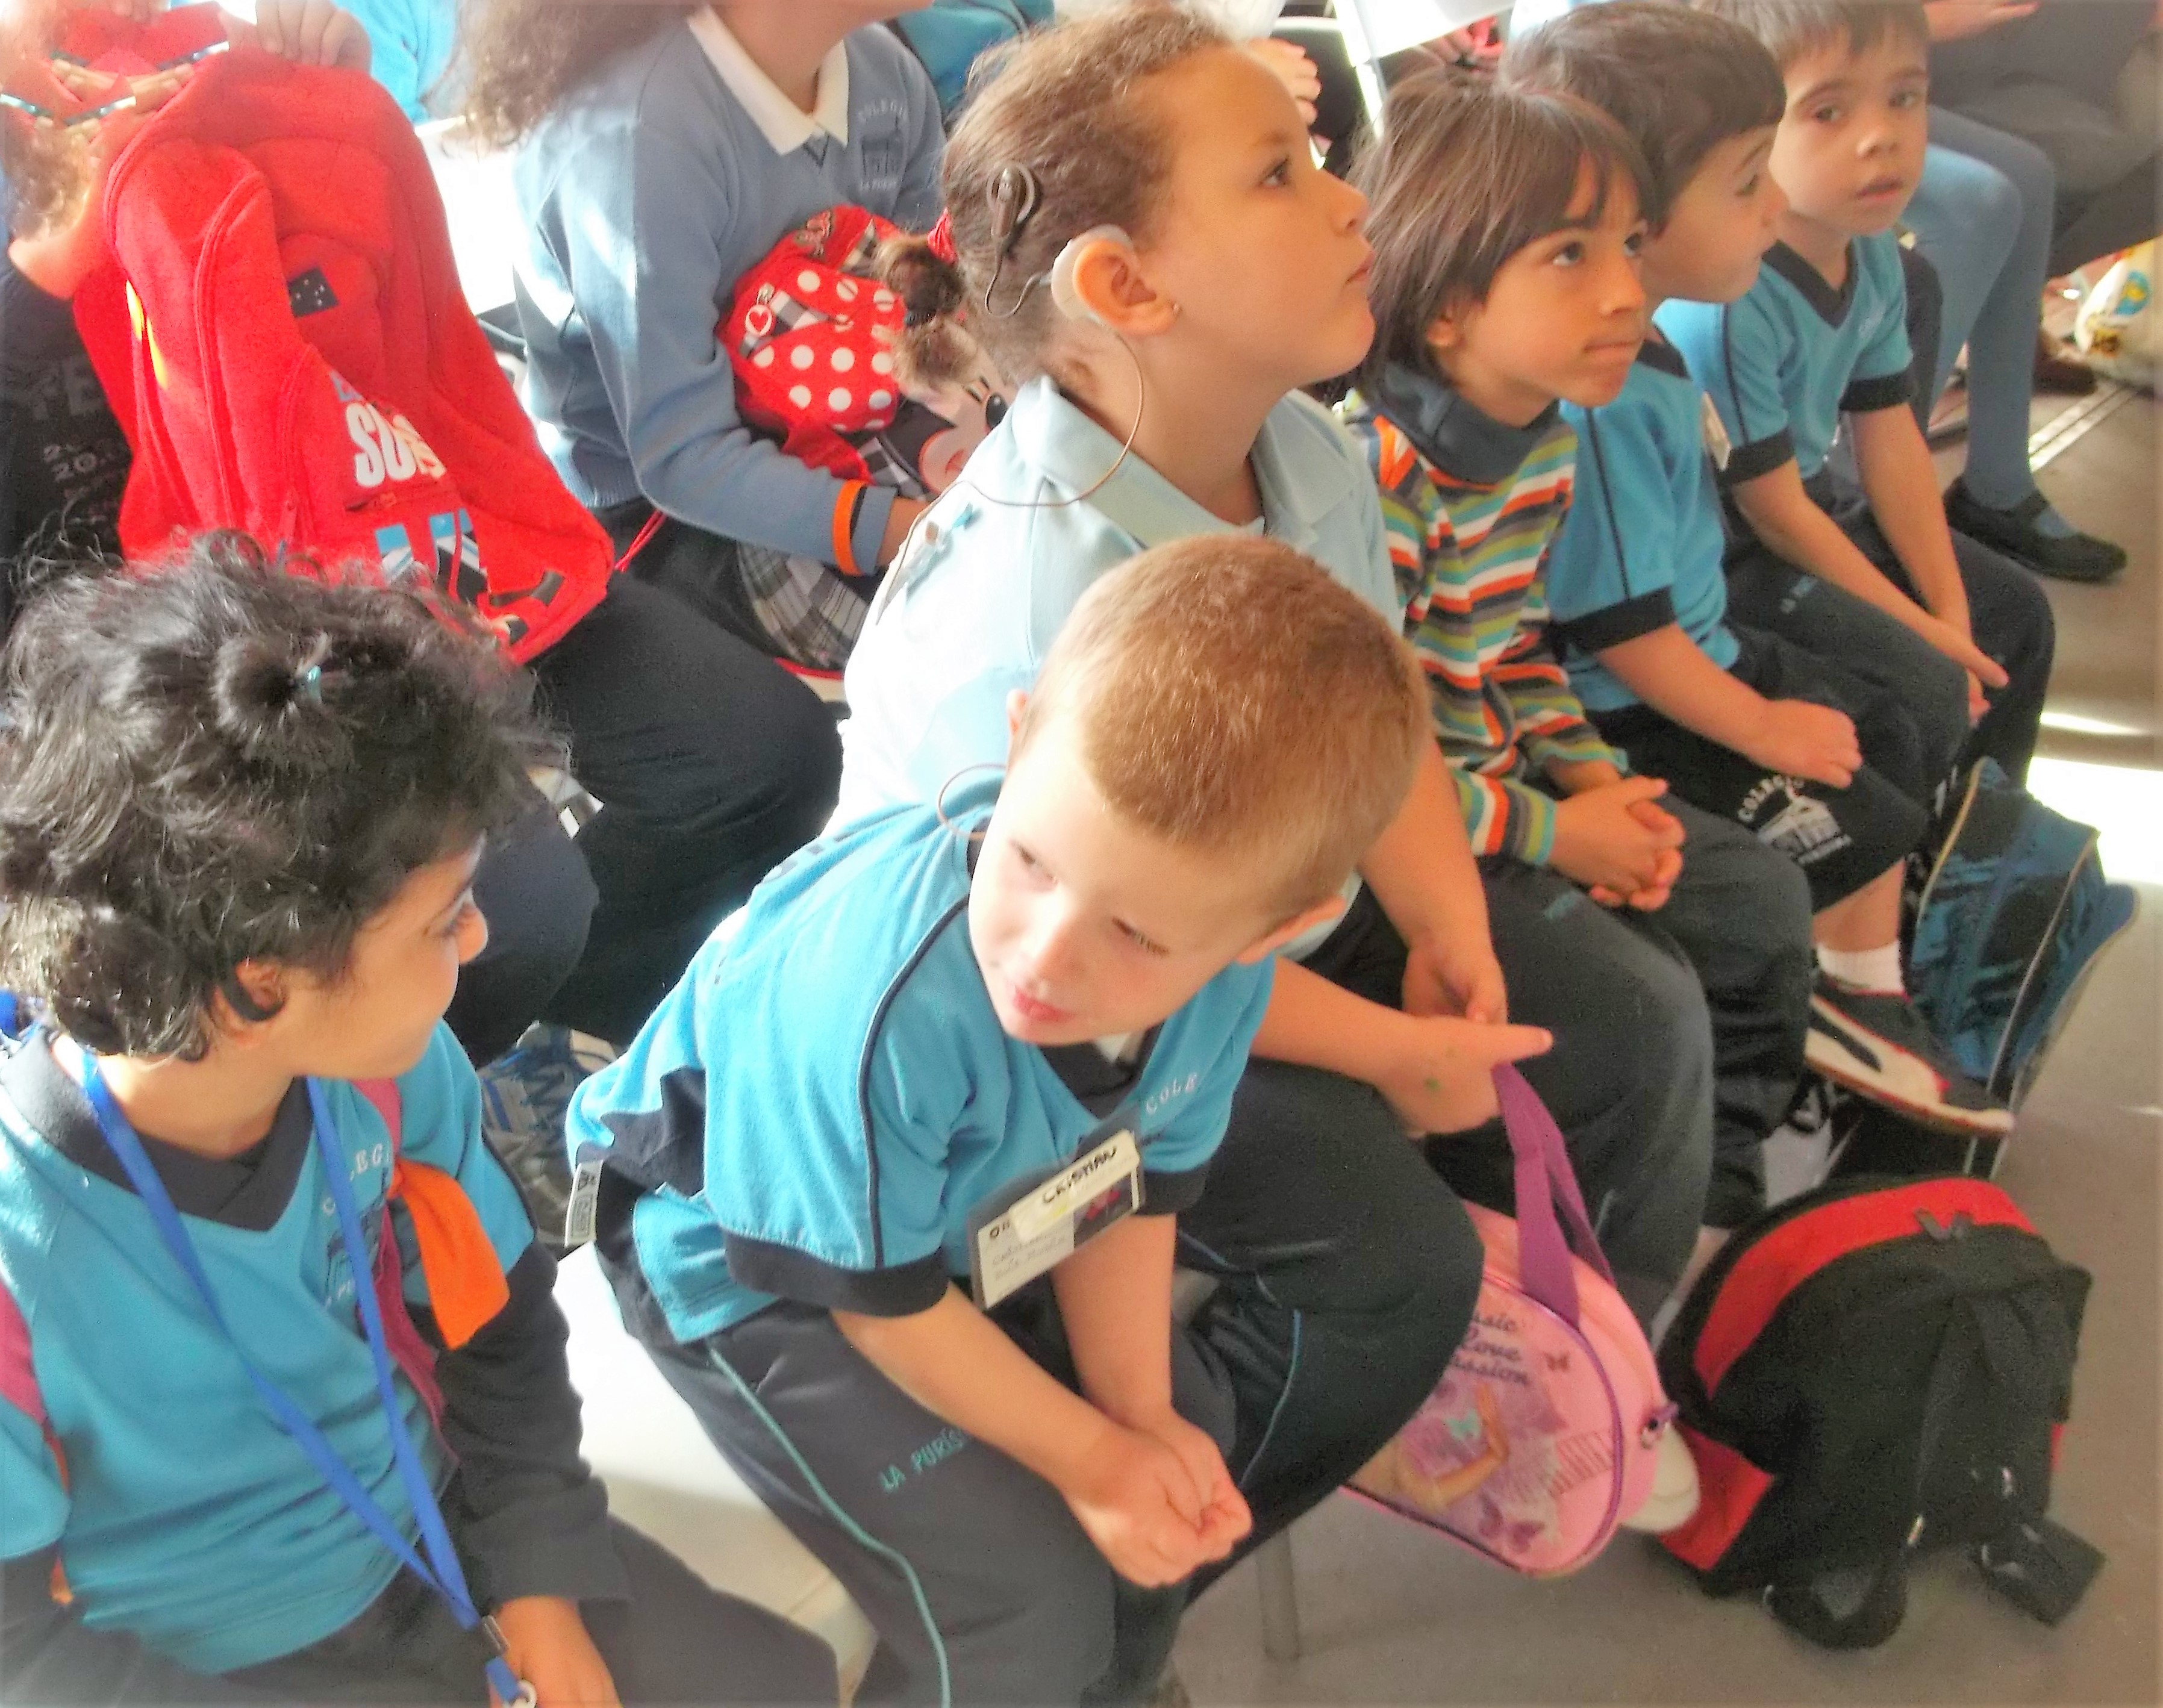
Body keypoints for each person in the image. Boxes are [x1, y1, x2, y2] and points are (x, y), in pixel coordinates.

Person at [854, 5, 1713, 1370]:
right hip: (1057, 1013)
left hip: (1241, 910)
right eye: (1279, 174)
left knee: (1630, 1025)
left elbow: (1376, 717)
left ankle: (1577, 1368)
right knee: (1391, 1265)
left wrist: (1447, 933)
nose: (1349, 201)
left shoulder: (1301, 448)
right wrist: (1384, 1048)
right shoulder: (1037, 609)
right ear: (1127, 288)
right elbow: (1083, 958)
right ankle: (1214, 1467)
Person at [566, 537, 1435, 1707]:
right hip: (741, 1255)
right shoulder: (875, 1001)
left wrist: (1135, 1426)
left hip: (949, 1218)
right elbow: (877, 1307)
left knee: (1185, 1436)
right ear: (1017, 740)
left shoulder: (1222, 985)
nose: (1044, 957)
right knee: (1019, 1607)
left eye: (1135, 934)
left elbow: (1122, 1190)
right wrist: (1096, 1454)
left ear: (1271, 931)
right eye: (1030, 860)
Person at [0, 537, 835, 1707]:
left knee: (777, 1684)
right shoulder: (23, 1255)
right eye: (445, 919)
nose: (482, 939)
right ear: (257, 988)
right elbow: (22, 1651)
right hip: (201, 1667)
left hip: (446, 1535)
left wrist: (539, 1583)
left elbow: (498, 1332)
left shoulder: (396, 1077)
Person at [1, 0, 837, 1072]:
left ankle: (537, 1027)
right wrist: (40, 281)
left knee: (766, 756)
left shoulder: (175, 78)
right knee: (514, 905)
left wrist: (299, 115)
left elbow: (379, 348)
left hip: (378, 525)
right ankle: (394, 1084)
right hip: (144, 660)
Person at [1338, 72, 1818, 1306]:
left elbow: (1510, 649)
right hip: (1404, 841)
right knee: (1642, 1013)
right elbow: (1364, 774)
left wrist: (1596, 779)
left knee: (1757, 902)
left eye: (1627, 246)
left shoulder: (1542, 436)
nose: (1625, 291)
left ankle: (1710, 1205)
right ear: (1449, 307)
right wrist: (1561, 833)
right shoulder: (1373, 482)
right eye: (1569, 255)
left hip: (1507, 794)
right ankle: (1580, 1319)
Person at [1502, 2, 2012, 1144]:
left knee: (1888, 723)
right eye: (1746, 186)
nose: (1773, 210)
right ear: (1634, 218)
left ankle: (1861, 988)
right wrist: (1759, 726)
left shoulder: (1648, 348)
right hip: (1633, 699)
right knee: (1818, 825)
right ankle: (1820, 1038)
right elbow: (1620, 632)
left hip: (1703, 645)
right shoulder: (1605, 399)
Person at [466, 0, 947, 667]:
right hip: (666, 511)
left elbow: (937, 306)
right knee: (970, 625)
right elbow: (682, 459)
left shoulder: (885, 76)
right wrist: (928, 533)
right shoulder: (638, 143)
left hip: (839, 426)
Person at [1665, 0, 2056, 791]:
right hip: (1724, 551)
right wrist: (1926, 637)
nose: (1881, 136)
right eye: (1828, 112)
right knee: (1920, 682)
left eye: (1904, 97)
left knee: (2013, 615)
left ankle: (1979, 824)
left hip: (1806, 503)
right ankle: (1915, 844)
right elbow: (1773, 517)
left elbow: (1890, 438)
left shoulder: (1872, 251)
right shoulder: (1729, 301)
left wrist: (1948, 612)